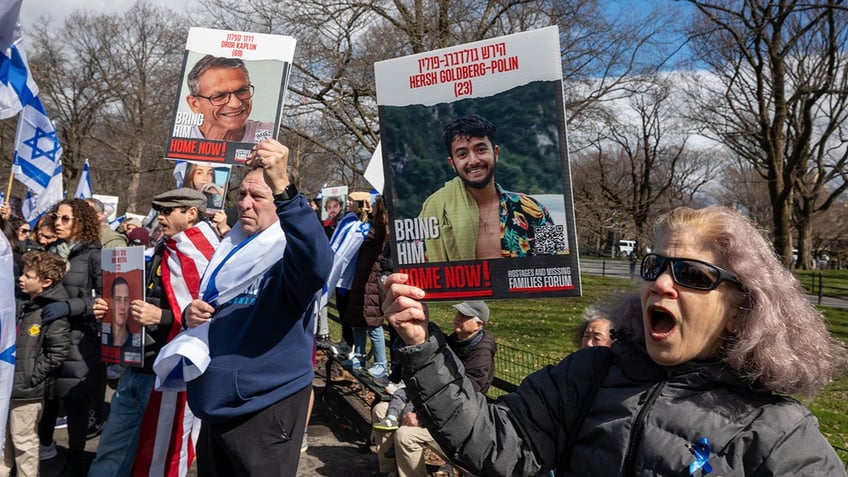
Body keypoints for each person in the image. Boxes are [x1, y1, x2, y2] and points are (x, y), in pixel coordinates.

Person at [383, 205, 848, 476]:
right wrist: (422, 342)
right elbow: (497, 441)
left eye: (692, 275)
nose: (663, 285)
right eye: (654, 267)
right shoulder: (592, 373)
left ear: (739, 311)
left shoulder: (779, 434)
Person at [154, 138, 332, 476]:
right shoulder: (230, 246)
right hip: (216, 403)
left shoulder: (286, 252)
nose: (246, 204)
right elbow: (221, 305)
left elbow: (317, 265)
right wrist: (195, 315)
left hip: (264, 406)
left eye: (259, 197)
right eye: (242, 195)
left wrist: (283, 186)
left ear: (279, 203)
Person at [88, 187, 219, 477]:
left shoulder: (205, 255)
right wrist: (109, 308)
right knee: (110, 452)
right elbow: (144, 296)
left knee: (161, 457)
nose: (159, 217)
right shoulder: (165, 247)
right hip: (136, 366)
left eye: (167, 211)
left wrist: (160, 316)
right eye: (158, 210)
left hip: (170, 376)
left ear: (191, 213)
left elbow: (212, 319)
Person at [373, 300, 496, 477]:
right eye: (458, 314)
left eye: (464, 316)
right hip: (430, 404)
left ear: (479, 324)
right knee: (380, 410)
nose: (457, 318)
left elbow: (462, 401)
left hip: (457, 423)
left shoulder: (481, 355)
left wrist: (422, 417)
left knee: (405, 436)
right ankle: (390, 471)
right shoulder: (453, 341)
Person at [419, 114, 555, 261]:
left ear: (496, 153)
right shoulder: (435, 212)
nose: (473, 161)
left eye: (481, 150)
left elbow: (562, 264)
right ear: (452, 163)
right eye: (462, 154)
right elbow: (415, 270)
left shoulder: (534, 209)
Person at [38, 198, 103, 476]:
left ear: (81, 223)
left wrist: (69, 306)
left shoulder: (93, 255)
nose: (58, 223)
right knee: (47, 400)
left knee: (76, 403)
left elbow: (105, 300)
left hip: (79, 340)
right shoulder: (50, 251)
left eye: (66, 219)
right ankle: (43, 448)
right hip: (46, 338)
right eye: (56, 217)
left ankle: (75, 460)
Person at [1, 251, 70, 477]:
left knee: (24, 440)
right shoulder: (20, 304)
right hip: (9, 385)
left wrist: (31, 376)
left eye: (28, 276)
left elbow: (57, 353)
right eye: (22, 273)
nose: (21, 278)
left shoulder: (52, 311)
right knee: (3, 439)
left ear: (46, 282)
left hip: (28, 392)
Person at [184, 55, 275, 142]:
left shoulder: (270, 135)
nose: (235, 103)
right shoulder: (180, 141)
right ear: (194, 104)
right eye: (219, 96)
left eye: (242, 90)